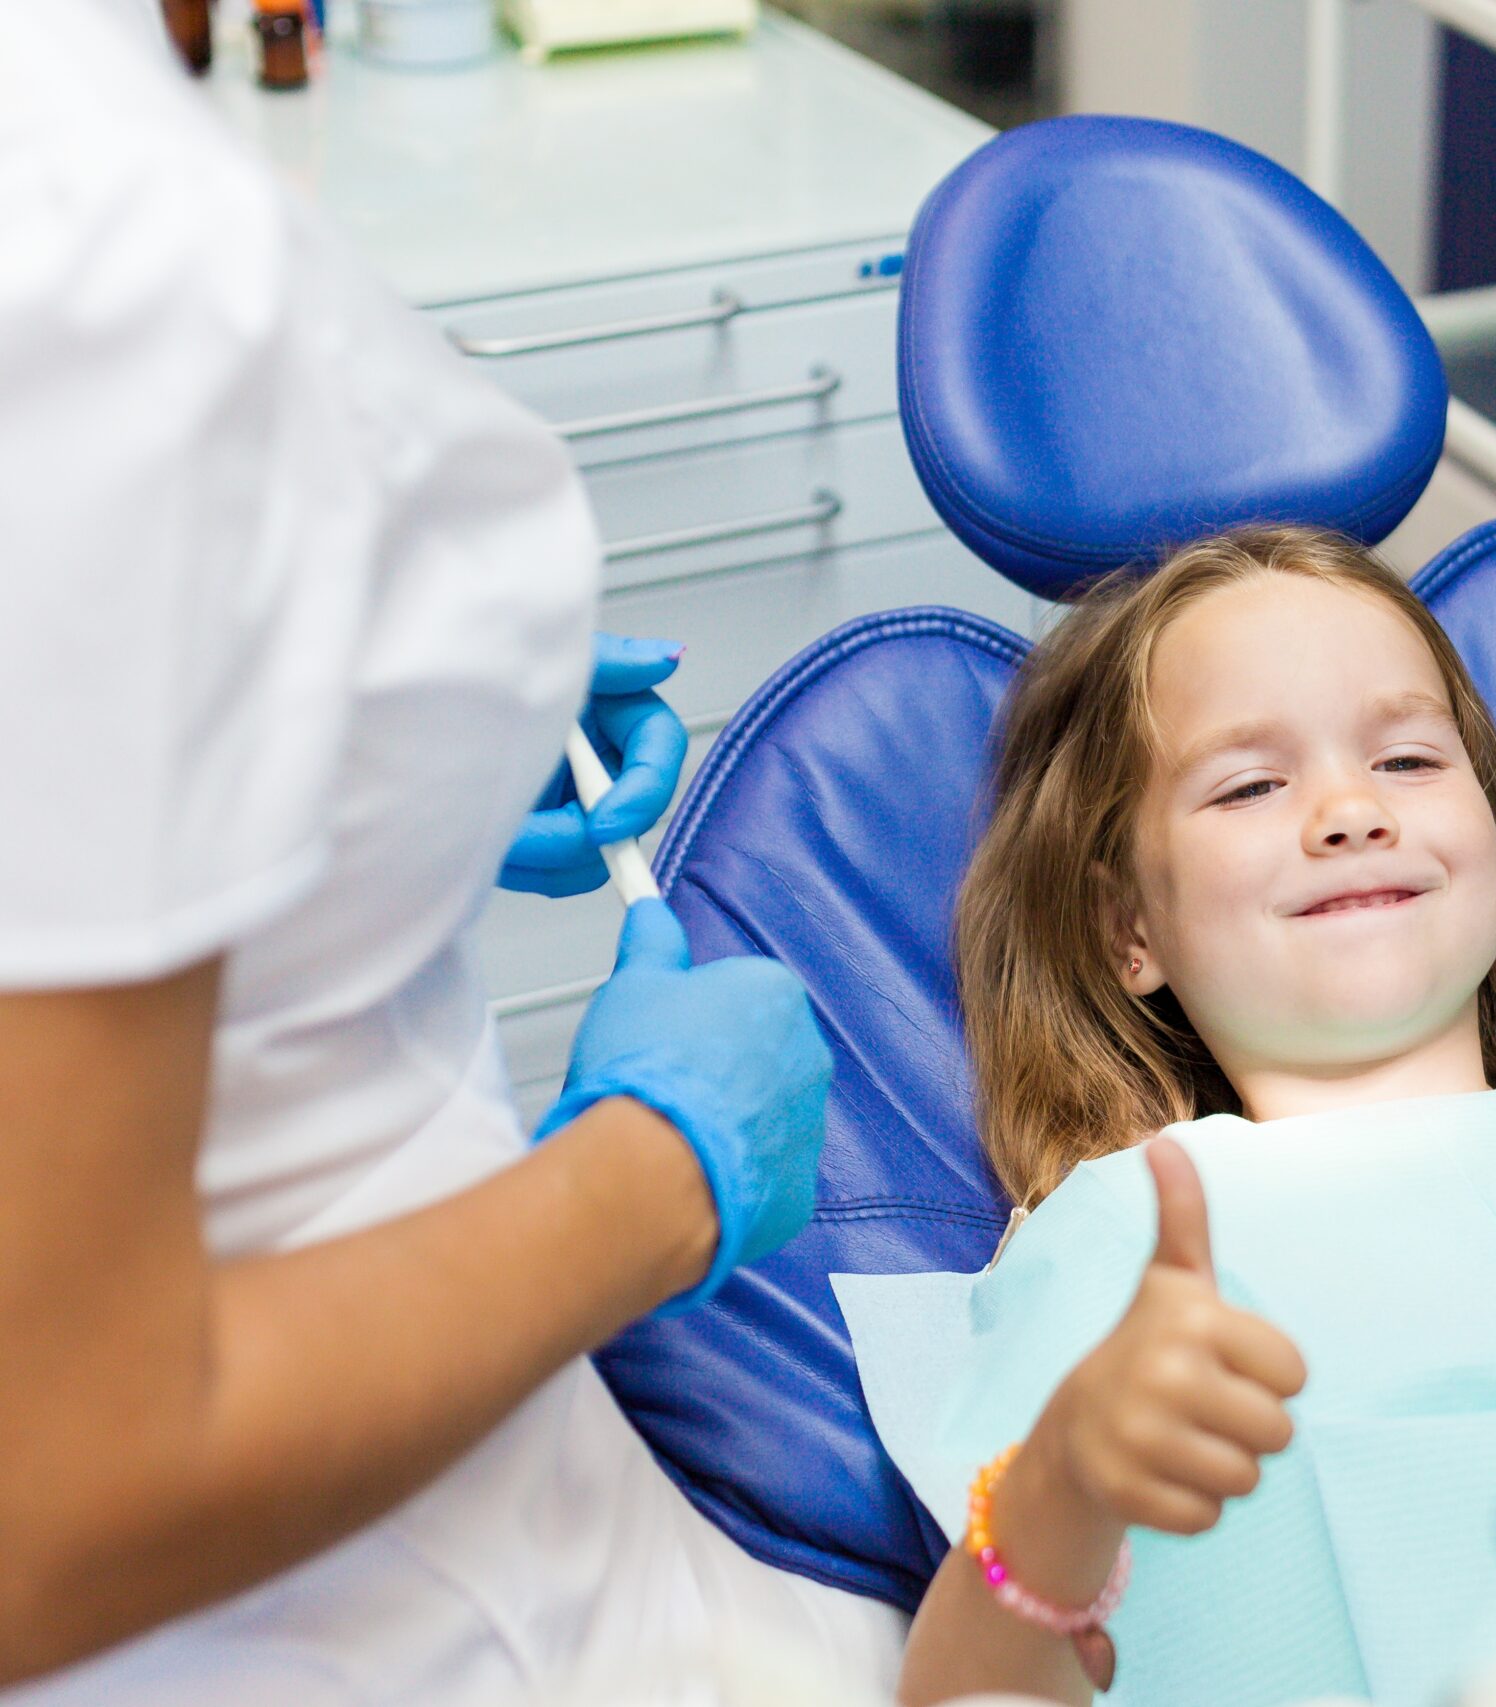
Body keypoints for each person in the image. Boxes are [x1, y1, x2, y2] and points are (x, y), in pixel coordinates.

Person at [0, 4, 905, 1700]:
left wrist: (364, 770)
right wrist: (655, 1175)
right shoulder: (80, 229)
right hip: (349, 1611)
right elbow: (52, 1501)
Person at [895, 526, 1496, 1704]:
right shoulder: (1131, 1249)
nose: (1349, 809)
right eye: (1251, 784)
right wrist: (1063, 1469)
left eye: (1410, 762)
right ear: (1131, 931)